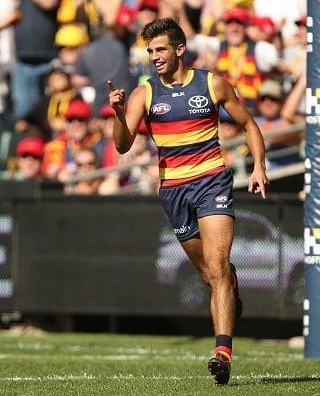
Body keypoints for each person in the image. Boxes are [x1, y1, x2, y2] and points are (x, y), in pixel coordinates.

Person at [108, 18, 268, 386]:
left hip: (212, 182)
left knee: (217, 263)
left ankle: (222, 353)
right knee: (211, 275)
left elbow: (249, 124)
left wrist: (259, 167)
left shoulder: (212, 83)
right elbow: (121, 145)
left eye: (160, 49)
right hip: (173, 191)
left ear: (180, 49)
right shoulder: (144, 92)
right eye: (150, 51)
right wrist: (119, 113)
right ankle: (231, 289)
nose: (154, 57)